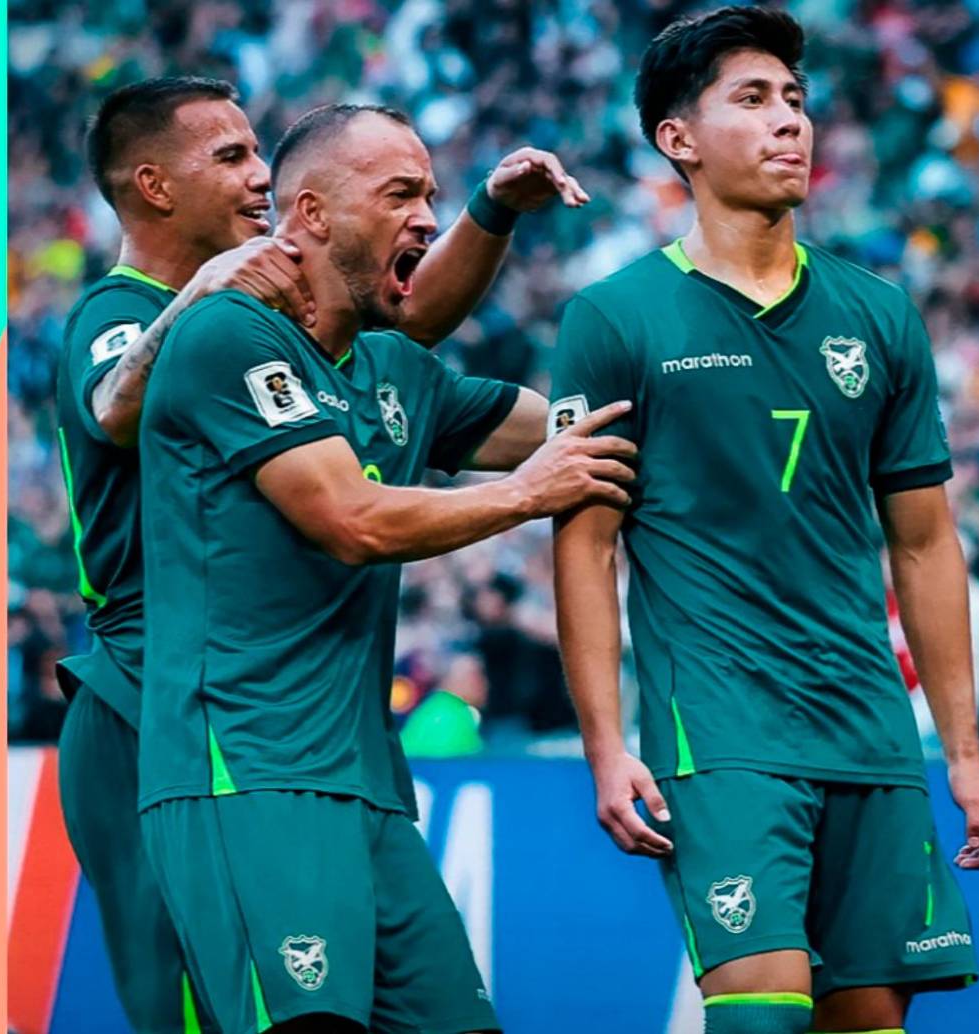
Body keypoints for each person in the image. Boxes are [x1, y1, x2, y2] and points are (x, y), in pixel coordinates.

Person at [56, 76, 591, 1032]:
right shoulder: (132, 316)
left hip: (326, 716)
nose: (258, 176)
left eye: (262, 152)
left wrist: (492, 212)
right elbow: (115, 408)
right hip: (159, 695)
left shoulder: (316, 332)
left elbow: (406, 325)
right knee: (199, 1007)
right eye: (230, 157)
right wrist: (200, 298)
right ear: (153, 184)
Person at [549, 8, 979, 1034]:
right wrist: (601, 742)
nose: (788, 123)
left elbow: (925, 541)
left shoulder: (877, 316)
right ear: (677, 139)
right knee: (759, 1008)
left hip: (867, 729)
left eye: (794, 101)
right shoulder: (613, 317)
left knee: (867, 1021)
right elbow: (582, 542)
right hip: (717, 730)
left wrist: (961, 751)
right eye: (751, 101)